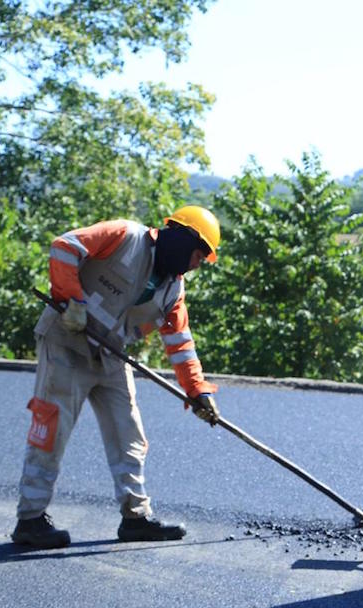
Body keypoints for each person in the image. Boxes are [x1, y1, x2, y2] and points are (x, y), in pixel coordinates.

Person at [11, 206, 223, 549]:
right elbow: (64, 247)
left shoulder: (173, 290)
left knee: (130, 436)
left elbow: (180, 344)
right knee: (52, 429)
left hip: (111, 353)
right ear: (183, 240)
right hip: (66, 342)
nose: (197, 264)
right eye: (198, 255)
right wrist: (72, 300)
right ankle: (30, 519)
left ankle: (136, 518)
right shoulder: (124, 236)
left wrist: (197, 391)